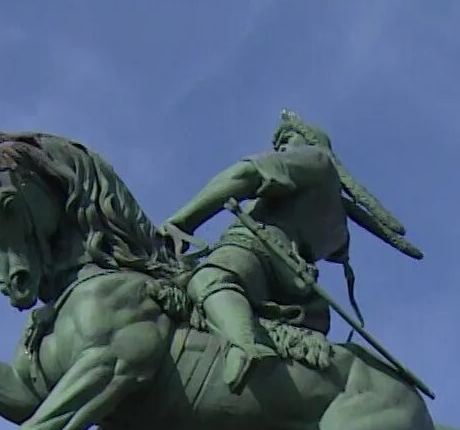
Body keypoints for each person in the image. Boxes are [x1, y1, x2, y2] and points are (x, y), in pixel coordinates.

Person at [158, 111, 422, 392]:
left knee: (207, 279)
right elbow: (337, 251)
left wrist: (181, 221)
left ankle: (244, 346)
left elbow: (245, 174)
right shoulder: (338, 214)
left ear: (313, 142)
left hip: (257, 253)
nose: (280, 147)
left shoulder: (315, 160)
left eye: (287, 139)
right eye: (278, 144)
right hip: (301, 294)